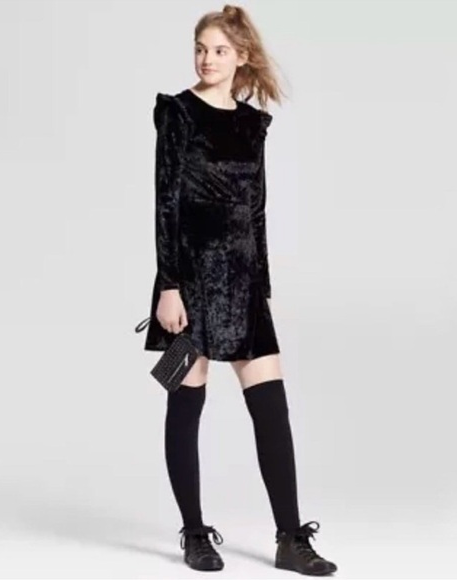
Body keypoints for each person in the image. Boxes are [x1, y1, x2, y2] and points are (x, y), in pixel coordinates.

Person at [143, 4, 338, 576]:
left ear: (241, 57)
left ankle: (290, 539)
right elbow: (165, 204)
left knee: (271, 407)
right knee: (186, 401)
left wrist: (263, 288)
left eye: (219, 50)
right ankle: (195, 533)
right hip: (189, 279)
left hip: (244, 282)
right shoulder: (177, 113)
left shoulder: (254, 124)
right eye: (201, 49)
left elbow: (257, 210)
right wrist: (169, 285)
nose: (207, 59)